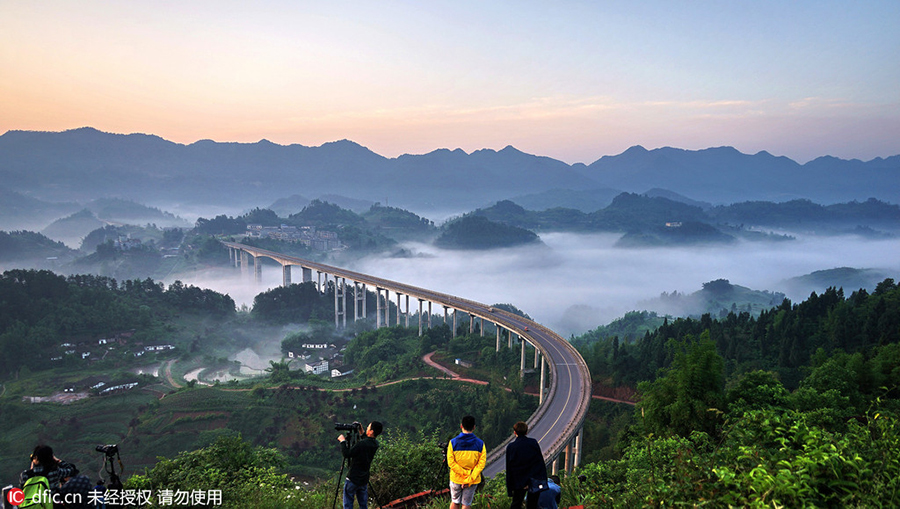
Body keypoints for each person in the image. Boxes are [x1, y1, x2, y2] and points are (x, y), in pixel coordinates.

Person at [337, 421, 383, 509]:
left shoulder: (361, 444)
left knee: (348, 504)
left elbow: (347, 454)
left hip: (353, 478)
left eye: (368, 428)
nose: (366, 429)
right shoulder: (375, 444)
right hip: (364, 479)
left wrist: (342, 441)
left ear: (371, 431)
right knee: (363, 505)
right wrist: (361, 430)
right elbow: (367, 440)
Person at [505, 421, 548, 509]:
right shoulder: (533, 443)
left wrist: (509, 488)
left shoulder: (511, 447)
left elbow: (509, 468)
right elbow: (539, 461)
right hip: (533, 480)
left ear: (515, 432)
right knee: (532, 505)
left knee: (516, 504)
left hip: (518, 481)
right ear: (526, 432)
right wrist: (542, 478)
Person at [447, 415, 486, 509]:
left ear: (461, 426)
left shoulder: (453, 443)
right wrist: (469, 477)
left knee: (455, 502)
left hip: (456, 478)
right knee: (466, 504)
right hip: (472, 480)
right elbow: (481, 463)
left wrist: (464, 474)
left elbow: (451, 462)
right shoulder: (480, 444)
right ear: (474, 427)